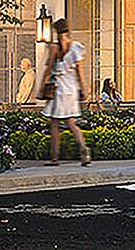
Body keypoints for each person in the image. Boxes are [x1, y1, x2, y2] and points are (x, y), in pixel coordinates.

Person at [44, 18, 91, 165]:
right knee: (71, 122)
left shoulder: (55, 48)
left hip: (58, 89)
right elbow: (80, 73)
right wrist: (84, 90)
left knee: (55, 124)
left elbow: (48, 69)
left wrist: (41, 87)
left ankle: (55, 157)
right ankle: (83, 148)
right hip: (70, 90)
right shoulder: (75, 48)